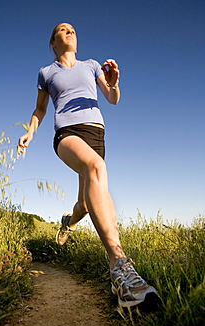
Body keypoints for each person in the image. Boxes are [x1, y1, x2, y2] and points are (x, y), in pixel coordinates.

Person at [18, 22, 159, 308]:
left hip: (97, 135)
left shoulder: (92, 65)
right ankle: (120, 268)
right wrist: (30, 131)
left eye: (72, 29)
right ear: (54, 43)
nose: (69, 31)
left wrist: (114, 82)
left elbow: (112, 99)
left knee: (85, 203)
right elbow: (40, 108)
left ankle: (67, 223)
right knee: (96, 168)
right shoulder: (47, 72)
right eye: (62, 29)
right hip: (67, 134)